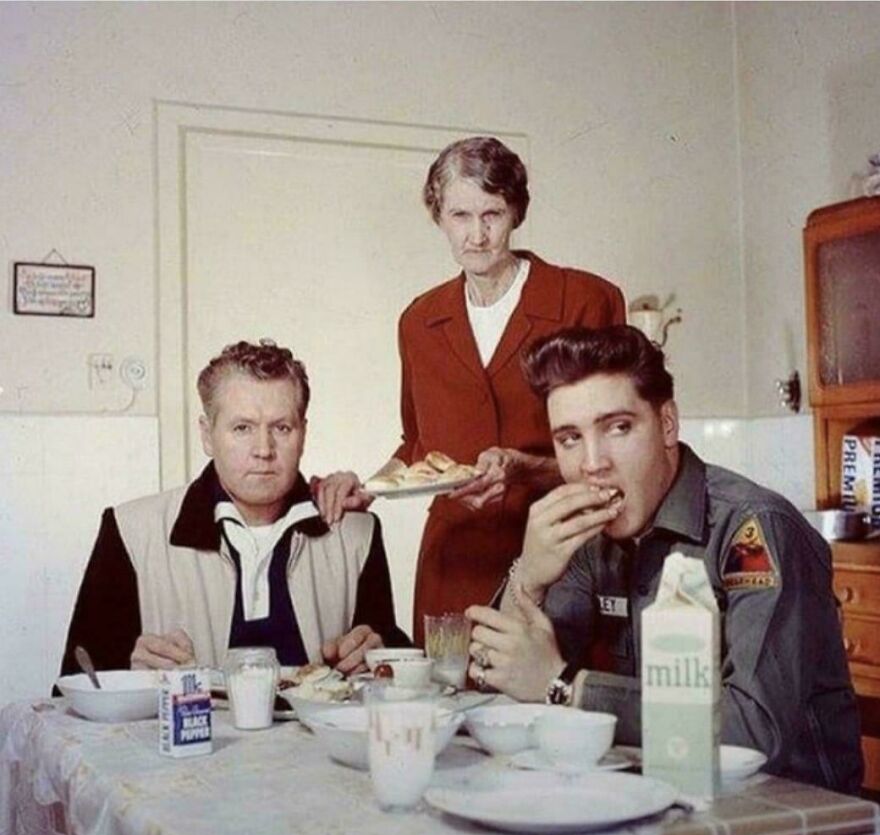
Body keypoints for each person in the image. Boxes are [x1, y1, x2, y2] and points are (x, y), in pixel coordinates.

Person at [466, 325, 863, 794]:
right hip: (660, 794)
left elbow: (753, 733)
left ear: (668, 425)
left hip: (790, 810)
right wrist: (528, 576)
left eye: (618, 427)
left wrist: (564, 686)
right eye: (570, 438)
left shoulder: (753, 530)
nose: (592, 463)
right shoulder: (590, 538)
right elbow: (498, 690)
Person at [316, 136, 625, 644]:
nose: (477, 236)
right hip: (454, 564)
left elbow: (615, 452)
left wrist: (524, 468)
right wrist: (369, 487)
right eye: (460, 215)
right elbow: (419, 445)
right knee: (448, 690)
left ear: (516, 212)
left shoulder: (585, 301)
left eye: (492, 214)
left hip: (563, 557)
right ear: (438, 215)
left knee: (554, 687)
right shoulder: (419, 321)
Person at [60, 339, 409, 676]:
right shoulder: (131, 531)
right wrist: (130, 672)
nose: (263, 449)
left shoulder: (356, 533)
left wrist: (377, 655)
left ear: (303, 434)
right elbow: (75, 682)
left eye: (282, 428)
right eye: (242, 428)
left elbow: (384, 665)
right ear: (207, 435)